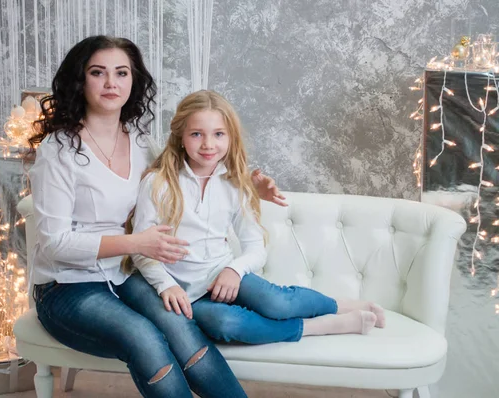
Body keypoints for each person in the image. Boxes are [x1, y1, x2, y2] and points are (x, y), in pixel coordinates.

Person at [28, 35, 283, 398]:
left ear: (134, 81)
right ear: (80, 80)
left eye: (121, 73)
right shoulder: (58, 151)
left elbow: (191, 175)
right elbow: (54, 244)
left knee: (180, 328)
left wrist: (251, 187)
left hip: (125, 272)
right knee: (144, 337)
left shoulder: (139, 140)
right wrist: (136, 243)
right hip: (67, 286)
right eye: (98, 72)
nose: (111, 82)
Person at [127, 90, 386, 346]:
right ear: (181, 136)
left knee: (277, 303)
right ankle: (315, 327)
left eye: (218, 134)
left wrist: (233, 270)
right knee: (226, 324)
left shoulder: (235, 184)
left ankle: (339, 306)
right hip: (185, 293)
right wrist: (166, 286)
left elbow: (254, 246)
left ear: (230, 138)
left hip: (223, 275)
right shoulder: (157, 182)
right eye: (197, 134)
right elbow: (139, 248)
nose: (208, 144)